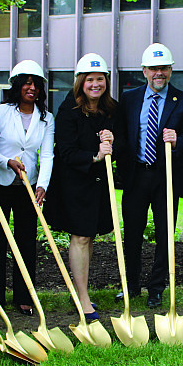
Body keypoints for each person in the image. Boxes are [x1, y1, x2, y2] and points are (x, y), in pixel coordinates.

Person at [114, 43, 183, 308]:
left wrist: (178, 140)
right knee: (133, 233)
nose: (158, 73)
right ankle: (131, 285)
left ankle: (157, 287)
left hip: (166, 178)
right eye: (153, 69)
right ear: (144, 71)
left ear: (171, 70)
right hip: (136, 175)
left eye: (163, 68)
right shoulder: (129, 98)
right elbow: (124, 135)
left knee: (164, 234)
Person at [44, 53, 116, 321]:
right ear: (80, 82)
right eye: (90, 79)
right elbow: (66, 152)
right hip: (74, 183)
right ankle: (82, 298)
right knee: (81, 237)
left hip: (98, 184)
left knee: (90, 236)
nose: (95, 84)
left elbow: (116, 147)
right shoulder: (68, 110)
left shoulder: (110, 109)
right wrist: (95, 156)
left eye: (100, 79)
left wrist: (111, 142)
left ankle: (82, 291)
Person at [0, 60, 54, 317]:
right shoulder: (1, 112)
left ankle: (24, 296)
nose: (31, 88)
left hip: (29, 185)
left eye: (35, 83)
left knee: (26, 241)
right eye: (26, 82)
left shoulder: (46, 118)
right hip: (0, 182)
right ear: (17, 86)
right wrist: (7, 162)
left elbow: (46, 155)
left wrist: (42, 185)